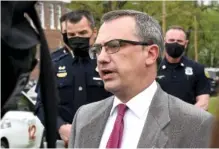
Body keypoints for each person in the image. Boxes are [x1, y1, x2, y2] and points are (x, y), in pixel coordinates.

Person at [68, 10, 214, 148]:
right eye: (98, 50)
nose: (102, 59)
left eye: (114, 46)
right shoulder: (84, 117)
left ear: (151, 54)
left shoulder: (197, 125)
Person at [35, 10, 111, 145]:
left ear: (94, 32)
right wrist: (60, 126)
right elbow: (41, 105)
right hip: (64, 142)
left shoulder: (107, 62)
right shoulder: (53, 64)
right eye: (71, 34)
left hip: (103, 140)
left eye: (82, 33)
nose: (77, 38)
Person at [157, 26, 210, 110]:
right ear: (164, 41)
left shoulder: (197, 69)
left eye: (179, 41)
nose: (175, 43)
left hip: (189, 120)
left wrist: (185, 117)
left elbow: (203, 102)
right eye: (171, 40)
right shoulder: (153, 68)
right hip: (159, 120)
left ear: (185, 44)